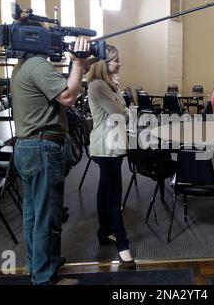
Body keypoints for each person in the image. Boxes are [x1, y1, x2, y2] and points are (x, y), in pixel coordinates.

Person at [12, 36, 90, 285]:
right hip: (42, 148)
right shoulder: (38, 64)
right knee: (48, 216)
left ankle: (41, 264)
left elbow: (59, 89)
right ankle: (46, 278)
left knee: (34, 214)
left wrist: (77, 67)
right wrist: (77, 64)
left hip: (28, 146)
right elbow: (67, 97)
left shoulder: (23, 65)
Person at [87, 44, 136, 269]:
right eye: (116, 60)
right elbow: (121, 114)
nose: (120, 63)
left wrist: (119, 101)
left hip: (112, 146)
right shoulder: (97, 86)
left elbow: (123, 107)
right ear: (103, 64)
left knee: (104, 190)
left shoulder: (107, 85)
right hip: (106, 147)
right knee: (114, 195)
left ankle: (104, 231)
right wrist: (121, 106)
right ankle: (123, 246)